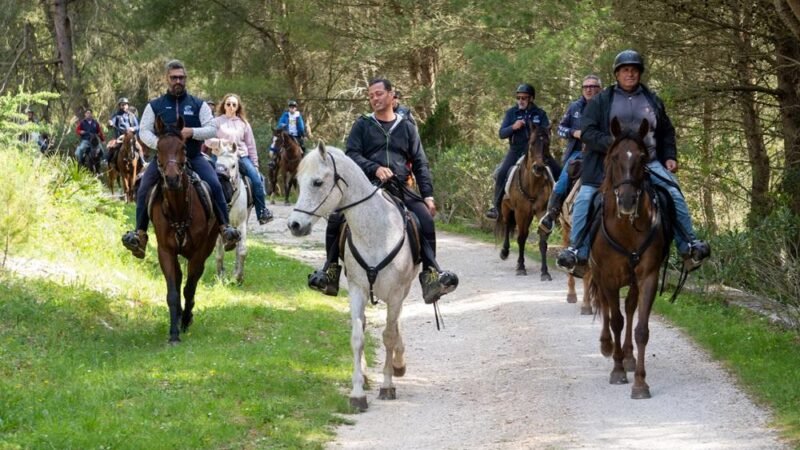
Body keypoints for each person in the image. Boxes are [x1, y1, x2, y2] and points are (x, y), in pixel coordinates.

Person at [556, 49, 711, 275]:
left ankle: (688, 245)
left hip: (647, 160)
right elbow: (587, 132)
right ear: (617, 74)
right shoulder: (601, 100)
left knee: (673, 192)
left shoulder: (652, 100)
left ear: (640, 73)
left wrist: (670, 156)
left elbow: (666, 131)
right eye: (625, 70)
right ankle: (577, 251)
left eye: (634, 70)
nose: (630, 74)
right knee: (586, 197)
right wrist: (612, 144)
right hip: (605, 161)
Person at [307, 78, 459, 304]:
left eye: (378, 94)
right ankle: (330, 270)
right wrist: (375, 168)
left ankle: (430, 274)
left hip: (400, 187)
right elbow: (352, 155)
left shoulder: (407, 126)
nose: (374, 99)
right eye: (370, 96)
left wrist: (427, 195)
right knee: (336, 218)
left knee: (425, 219)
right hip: (366, 186)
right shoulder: (362, 125)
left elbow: (420, 163)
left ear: (391, 95)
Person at [121, 59, 241, 259]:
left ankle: (225, 228)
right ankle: (140, 234)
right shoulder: (155, 106)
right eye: (174, 77)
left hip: (193, 156)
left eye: (181, 78)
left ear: (185, 79)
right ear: (167, 79)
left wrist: (192, 132)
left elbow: (212, 128)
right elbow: (143, 131)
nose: (178, 81)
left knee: (215, 183)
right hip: (164, 160)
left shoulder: (198, 104)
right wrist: (161, 146)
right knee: (143, 188)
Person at [538, 75, 602, 234]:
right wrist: (574, 132)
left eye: (592, 86)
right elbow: (561, 129)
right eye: (585, 86)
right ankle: (551, 215)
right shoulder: (574, 107)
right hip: (577, 153)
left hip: (601, 152)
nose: (588, 89)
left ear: (599, 89)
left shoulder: (606, 107)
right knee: (563, 180)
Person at [485, 83, 559, 220]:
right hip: (517, 149)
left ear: (531, 98)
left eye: (524, 98)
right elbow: (501, 133)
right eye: (518, 98)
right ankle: (495, 207)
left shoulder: (540, 114)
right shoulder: (511, 113)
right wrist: (513, 127)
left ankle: (557, 207)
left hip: (538, 151)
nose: (520, 101)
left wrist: (538, 133)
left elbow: (546, 133)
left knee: (558, 171)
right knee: (501, 172)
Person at [204, 93, 274, 224]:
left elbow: (251, 145)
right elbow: (207, 140)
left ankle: (262, 212)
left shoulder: (244, 124)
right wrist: (220, 142)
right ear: (224, 105)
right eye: (228, 104)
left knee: (257, 180)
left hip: (241, 156)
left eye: (234, 104)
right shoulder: (216, 121)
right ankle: (207, 212)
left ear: (238, 107)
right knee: (208, 180)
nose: (231, 106)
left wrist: (255, 165)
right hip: (220, 156)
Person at [106, 97, 141, 164]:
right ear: (119, 106)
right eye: (122, 105)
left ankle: (143, 162)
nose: (124, 106)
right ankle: (109, 162)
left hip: (130, 137)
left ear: (128, 105)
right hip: (120, 137)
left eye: (125, 104)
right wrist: (110, 123)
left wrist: (133, 128)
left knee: (139, 147)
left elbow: (138, 126)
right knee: (111, 149)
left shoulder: (132, 115)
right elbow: (111, 124)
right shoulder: (116, 116)